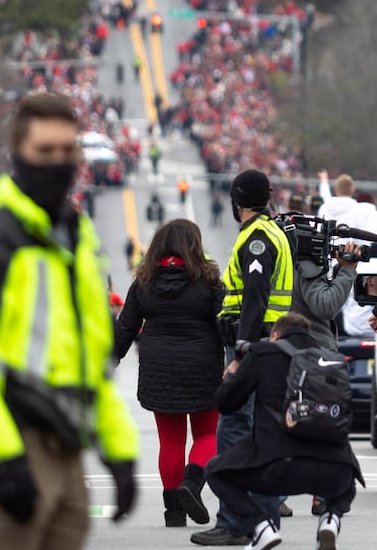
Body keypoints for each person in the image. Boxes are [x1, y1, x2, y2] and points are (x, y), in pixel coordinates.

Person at [0, 93, 139, 550]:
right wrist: (5, 459)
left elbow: (88, 361)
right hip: (8, 446)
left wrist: (118, 452)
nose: (57, 162)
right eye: (44, 151)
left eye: (67, 151)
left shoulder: (75, 239)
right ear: (17, 155)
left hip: (65, 450)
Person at [193, 170, 293, 547]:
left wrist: (241, 351)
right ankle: (262, 521)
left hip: (254, 347)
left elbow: (254, 297)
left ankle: (236, 522)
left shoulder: (256, 240)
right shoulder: (273, 233)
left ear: (237, 202)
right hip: (270, 346)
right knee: (260, 436)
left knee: (233, 432)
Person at [205, 313, 363, 550]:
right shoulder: (332, 360)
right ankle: (330, 519)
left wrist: (237, 365)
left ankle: (261, 528)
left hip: (276, 467)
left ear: (275, 336)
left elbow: (227, 403)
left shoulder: (262, 354)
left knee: (215, 471)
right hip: (333, 471)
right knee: (347, 482)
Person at [114, 220, 225, 529]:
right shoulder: (210, 280)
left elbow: (125, 329)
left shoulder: (144, 282)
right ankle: (193, 482)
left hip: (158, 368)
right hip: (203, 366)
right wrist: (240, 357)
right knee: (208, 434)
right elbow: (225, 325)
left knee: (170, 441)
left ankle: (173, 511)